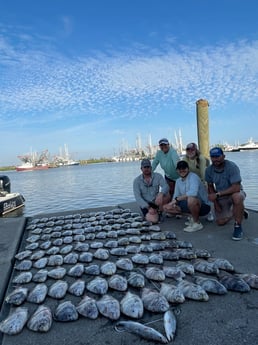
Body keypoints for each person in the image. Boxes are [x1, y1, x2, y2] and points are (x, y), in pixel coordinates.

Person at [205, 147, 246, 241]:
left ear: (223, 156)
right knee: (220, 222)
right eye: (213, 157)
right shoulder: (208, 170)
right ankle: (239, 211)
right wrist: (216, 203)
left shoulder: (232, 167)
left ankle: (238, 226)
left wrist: (218, 194)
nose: (215, 159)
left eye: (218, 156)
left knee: (237, 197)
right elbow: (210, 187)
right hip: (221, 196)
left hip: (234, 192)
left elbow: (236, 187)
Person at [163, 160, 210, 232]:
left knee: (191, 199)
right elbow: (175, 195)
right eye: (179, 169)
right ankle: (192, 217)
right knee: (166, 208)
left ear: (188, 169)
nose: (182, 170)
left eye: (184, 168)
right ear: (177, 170)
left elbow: (193, 193)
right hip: (189, 204)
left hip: (204, 206)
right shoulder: (178, 181)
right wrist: (171, 204)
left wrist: (176, 200)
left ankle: (197, 223)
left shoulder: (193, 177)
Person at [182, 142, 214, 222]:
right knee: (192, 196)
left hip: (202, 178)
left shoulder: (201, 158)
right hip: (192, 179)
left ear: (196, 150)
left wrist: (203, 183)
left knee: (205, 196)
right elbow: (184, 169)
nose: (190, 151)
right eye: (188, 150)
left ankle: (210, 212)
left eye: (192, 150)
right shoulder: (185, 158)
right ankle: (193, 214)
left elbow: (203, 172)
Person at [133, 158, 171, 223]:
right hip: (146, 204)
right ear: (141, 169)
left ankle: (159, 212)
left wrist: (161, 193)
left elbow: (166, 186)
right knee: (154, 220)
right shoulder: (136, 181)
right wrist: (148, 207)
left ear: (151, 167)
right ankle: (152, 214)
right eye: (145, 167)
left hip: (156, 202)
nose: (146, 169)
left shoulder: (158, 176)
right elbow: (137, 197)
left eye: (148, 167)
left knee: (167, 194)